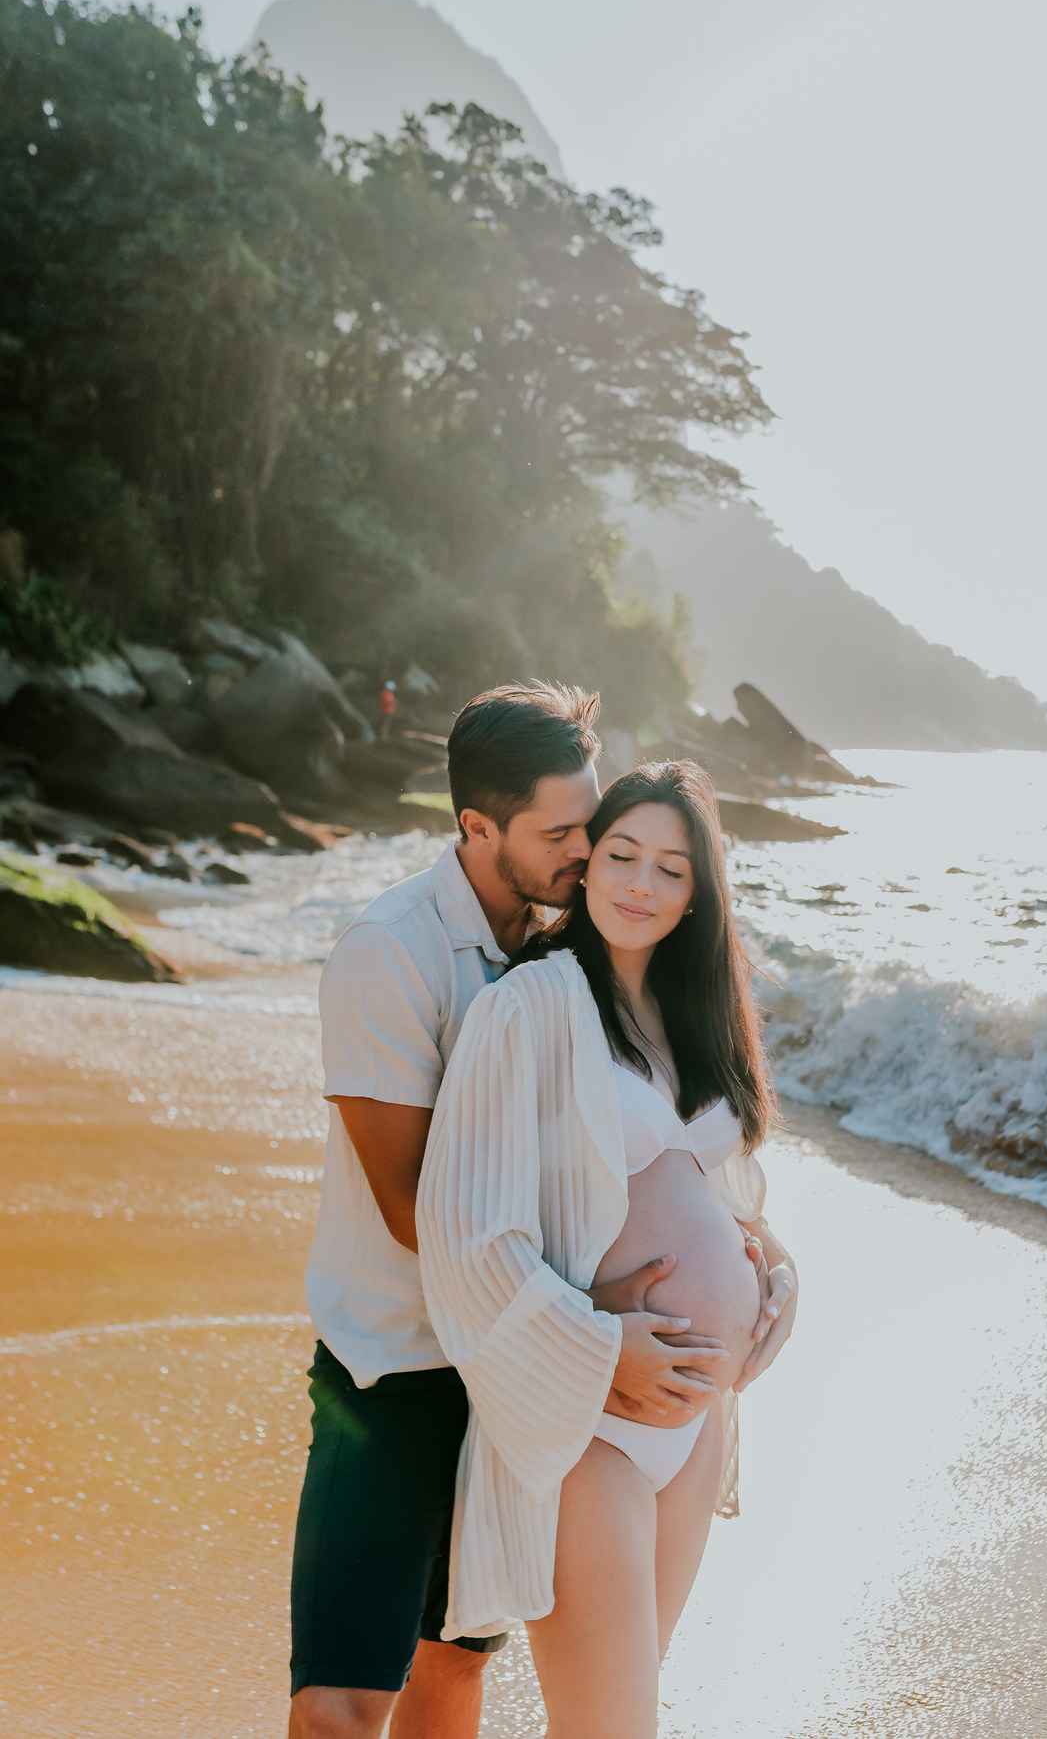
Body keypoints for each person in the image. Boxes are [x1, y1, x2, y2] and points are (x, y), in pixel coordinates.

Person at [288, 687, 740, 1739]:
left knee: (452, 1675)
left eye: (596, 824)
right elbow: (419, 1213)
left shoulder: (565, 942)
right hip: (402, 1368)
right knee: (344, 1700)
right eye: (564, 833)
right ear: (477, 827)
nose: (590, 853)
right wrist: (591, 1326)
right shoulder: (391, 952)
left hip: (523, 1388)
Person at [417, 759, 798, 1738]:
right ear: (586, 868)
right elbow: (467, 1236)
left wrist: (776, 1276)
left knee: (611, 1720)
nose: (641, 883)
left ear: (697, 892)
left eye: (672, 868)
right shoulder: (530, 1008)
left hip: (694, 1422)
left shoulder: (691, 1019)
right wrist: (599, 1345)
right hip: (587, 1422)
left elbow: (721, 1194)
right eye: (621, 854)